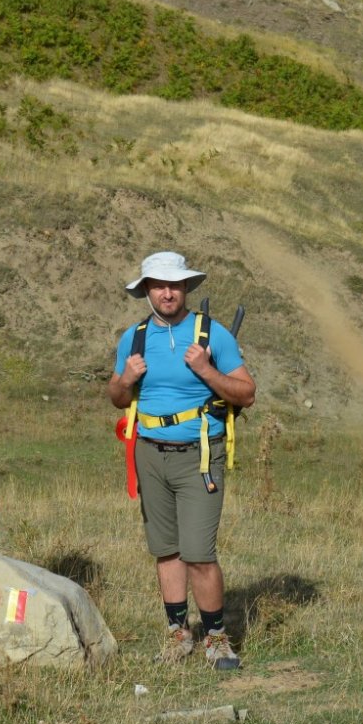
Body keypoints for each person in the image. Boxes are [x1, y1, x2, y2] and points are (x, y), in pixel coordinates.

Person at [107, 251, 256, 671]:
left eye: (174, 284)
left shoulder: (213, 335)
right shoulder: (133, 338)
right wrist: (126, 379)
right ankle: (178, 635)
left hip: (200, 455)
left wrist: (207, 371)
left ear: (186, 288)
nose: (167, 292)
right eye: (158, 285)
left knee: (199, 553)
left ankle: (216, 638)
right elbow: (117, 397)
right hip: (149, 454)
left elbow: (246, 393)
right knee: (166, 550)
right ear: (147, 291)